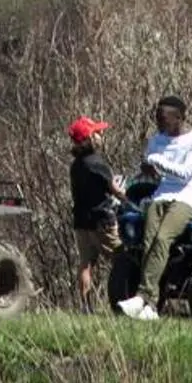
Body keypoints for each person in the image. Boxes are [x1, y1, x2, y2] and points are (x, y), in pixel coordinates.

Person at [118, 94, 192, 320]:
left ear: (178, 118)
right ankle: (150, 306)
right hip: (160, 195)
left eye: (163, 119)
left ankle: (143, 295)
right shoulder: (157, 139)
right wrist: (148, 168)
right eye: (157, 118)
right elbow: (152, 167)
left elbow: (185, 172)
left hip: (186, 198)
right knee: (147, 239)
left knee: (162, 238)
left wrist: (157, 161)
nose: (159, 123)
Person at [67, 116, 123, 311]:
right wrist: (131, 200)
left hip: (81, 221)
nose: (101, 135)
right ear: (89, 139)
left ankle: (85, 306)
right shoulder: (98, 163)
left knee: (86, 264)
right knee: (121, 258)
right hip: (102, 221)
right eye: (97, 133)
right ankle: (123, 299)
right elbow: (115, 190)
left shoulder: (76, 165)